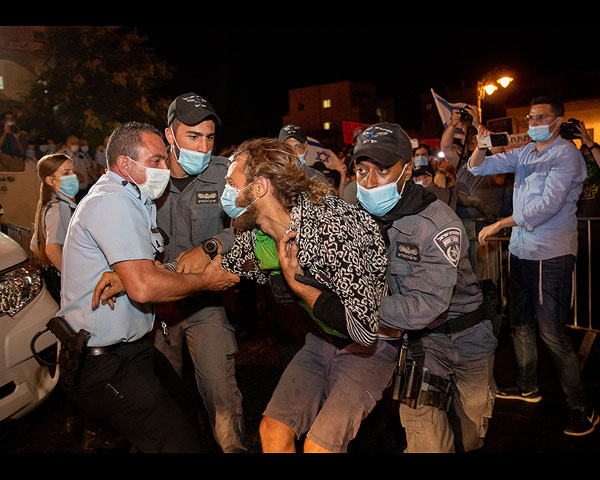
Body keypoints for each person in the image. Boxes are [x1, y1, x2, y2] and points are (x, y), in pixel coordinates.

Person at [57, 121, 239, 453]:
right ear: (125, 165)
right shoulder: (113, 202)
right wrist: (207, 281)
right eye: (155, 160)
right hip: (103, 362)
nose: (164, 167)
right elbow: (144, 287)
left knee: (185, 409)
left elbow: (143, 271)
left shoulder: (134, 199)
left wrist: (135, 276)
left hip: (133, 349)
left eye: (163, 159)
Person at [218, 137, 399, 453]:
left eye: (232, 182)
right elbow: (222, 268)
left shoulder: (330, 226)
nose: (226, 192)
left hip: (372, 344)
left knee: (319, 447)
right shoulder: (260, 230)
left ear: (259, 187)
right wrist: (153, 274)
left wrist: (300, 287)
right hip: (324, 339)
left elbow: (363, 330)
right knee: (273, 431)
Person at [353, 122, 498, 453]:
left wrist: (351, 304)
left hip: (468, 338)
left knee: (471, 436)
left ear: (406, 171)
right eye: (362, 170)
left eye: (382, 170)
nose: (369, 182)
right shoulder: (358, 221)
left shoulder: (438, 223)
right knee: (427, 443)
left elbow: (426, 306)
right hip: (423, 346)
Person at [470, 96, 598, 437]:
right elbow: (479, 168)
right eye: (529, 117)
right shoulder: (526, 152)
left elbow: (547, 206)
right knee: (521, 325)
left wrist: (500, 224)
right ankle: (528, 387)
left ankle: (582, 407)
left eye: (540, 116)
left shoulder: (566, 155)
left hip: (550, 254)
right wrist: (481, 145)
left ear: (558, 120)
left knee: (552, 333)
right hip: (521, 252)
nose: (532, 122)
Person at [151, 92, 247, 453]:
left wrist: (211, 246)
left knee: (221, 393)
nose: (203, 146)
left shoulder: (225, 174)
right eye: (193, 136)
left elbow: (250, 226)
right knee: (162, 395)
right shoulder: (148, 178)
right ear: (170, 136)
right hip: (158, 309)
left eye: (209, 137)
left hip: (206, 304)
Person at [29, 153, 78, 302]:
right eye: (66, 173)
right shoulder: (59, 208)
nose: (73, 176)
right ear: (50, 180)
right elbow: (51, 249)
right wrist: (72, 278)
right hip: (63, 281)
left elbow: (34, 246)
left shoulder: (51, 204)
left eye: (72, 171)